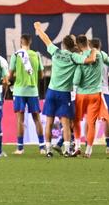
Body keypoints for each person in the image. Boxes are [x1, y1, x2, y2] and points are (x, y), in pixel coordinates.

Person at [31, 22, 80, 157]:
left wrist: (38, 29)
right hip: (65, 93)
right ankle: (67, 150)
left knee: (49, 121)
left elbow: (45, 38)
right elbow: (87, 60)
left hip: (52, 91)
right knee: (65, 123)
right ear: (73, 45)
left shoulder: (56, 51)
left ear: (63, 44)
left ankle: (48, 150)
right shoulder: (74, 57)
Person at [7, 34, 43, 154]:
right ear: (30, 42)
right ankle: (42, 147)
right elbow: (41, 75)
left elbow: (10, 75)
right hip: (33, 90)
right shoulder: (36, 55)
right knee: (37, 119)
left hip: (19, 90)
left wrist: (16, 76)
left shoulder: (16, 55)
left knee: (20, 120)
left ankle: (20, 148)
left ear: (20, 42)